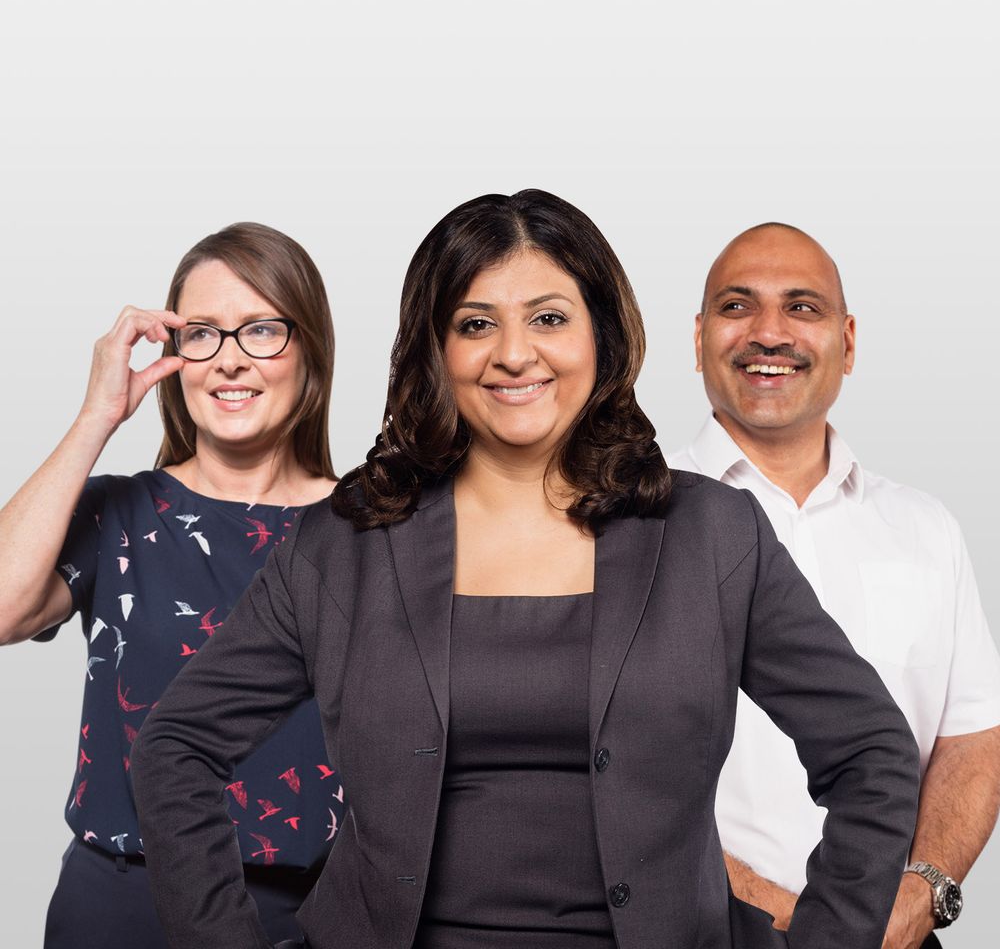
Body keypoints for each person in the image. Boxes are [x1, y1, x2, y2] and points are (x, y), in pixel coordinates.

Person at [132, 190, 919, 949]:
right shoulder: (342, 546)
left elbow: (873, 756)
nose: (515, 353)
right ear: (436, 349)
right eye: (477, 323)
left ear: (601, 338)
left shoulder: (714, 535)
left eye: (548, 318)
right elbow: (175, 749)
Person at [0, 223, 344, 948]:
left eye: (260, 331)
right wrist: (98, 416)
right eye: (202, 335)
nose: (229, 361)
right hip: (124, 906)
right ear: (173, 355)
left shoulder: (372, 527)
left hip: (310, 912)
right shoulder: (117, 513)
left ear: (309, 351)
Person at [667, 222, 1000, 949]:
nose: (769, 332)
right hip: (696, 931)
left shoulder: (925, 529)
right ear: (697, 340)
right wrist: (792, 912)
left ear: (848, 342)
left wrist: (922, 891)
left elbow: (974, 740)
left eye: (802, 307)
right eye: (736, 306)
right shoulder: (633, 522)